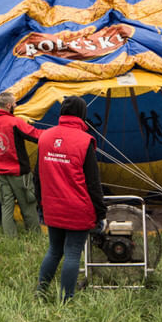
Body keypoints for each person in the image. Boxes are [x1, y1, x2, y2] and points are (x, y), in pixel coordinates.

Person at [34, 95, 106, 301]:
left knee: (54, 250)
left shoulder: (45, 137)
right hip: (77, 209)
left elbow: (37, 176)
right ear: (82, 114)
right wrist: (101, 211)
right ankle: (66, 299)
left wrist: (41, 203)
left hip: (52, 207)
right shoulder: (85, 141)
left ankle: (41, 292)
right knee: (73, 253)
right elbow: (93, 183)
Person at [0, 91, 42, 237]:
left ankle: (11, 240)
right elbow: (35, 135)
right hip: (19, 173)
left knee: (6, 207)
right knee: (28, 206)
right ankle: (35, 237)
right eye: (15, 103)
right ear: (9, 105)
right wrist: (54, 135)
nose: (16, 105)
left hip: (1, 174)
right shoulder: (14, 122)